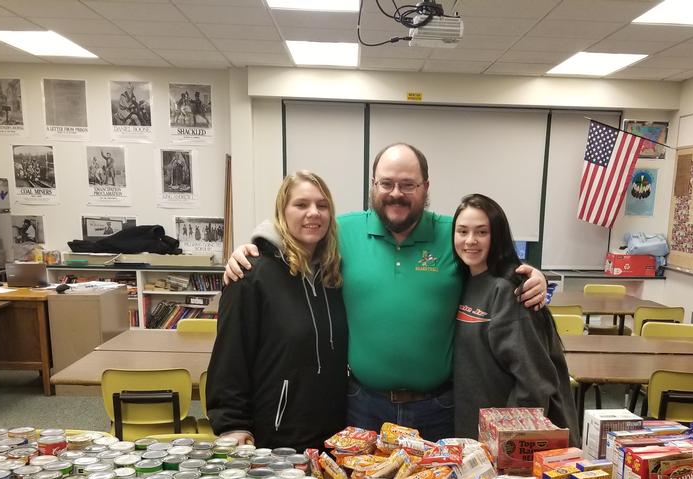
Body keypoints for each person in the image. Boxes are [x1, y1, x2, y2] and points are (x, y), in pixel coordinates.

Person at [224, 143, 547, 442]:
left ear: (426, 187)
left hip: (439, 409)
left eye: (408, 185)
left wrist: (531, 275)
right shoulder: (342, 231)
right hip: (362, 407)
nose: (396, 194)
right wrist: (253, 248)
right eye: (387, 183)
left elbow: (493, 258)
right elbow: (295, 231)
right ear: (373, 185)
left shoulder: (453, 233)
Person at [206, 171, 347, 450]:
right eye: (301, 204)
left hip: (332, 436)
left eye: (322, 205)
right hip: (276, 436)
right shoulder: (250, 274)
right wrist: (232, 424)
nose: (313, 212)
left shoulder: (334, 275)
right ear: (282, 212)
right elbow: (231, 355)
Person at [451, 194, 579, 444]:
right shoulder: (462, 281)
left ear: (497, 236)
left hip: (504, 436)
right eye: (462, 231)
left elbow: (533, 382)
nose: (470, 240)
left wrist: (508, 442)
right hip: (470, 426)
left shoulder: (512, 290)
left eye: (482, 232)